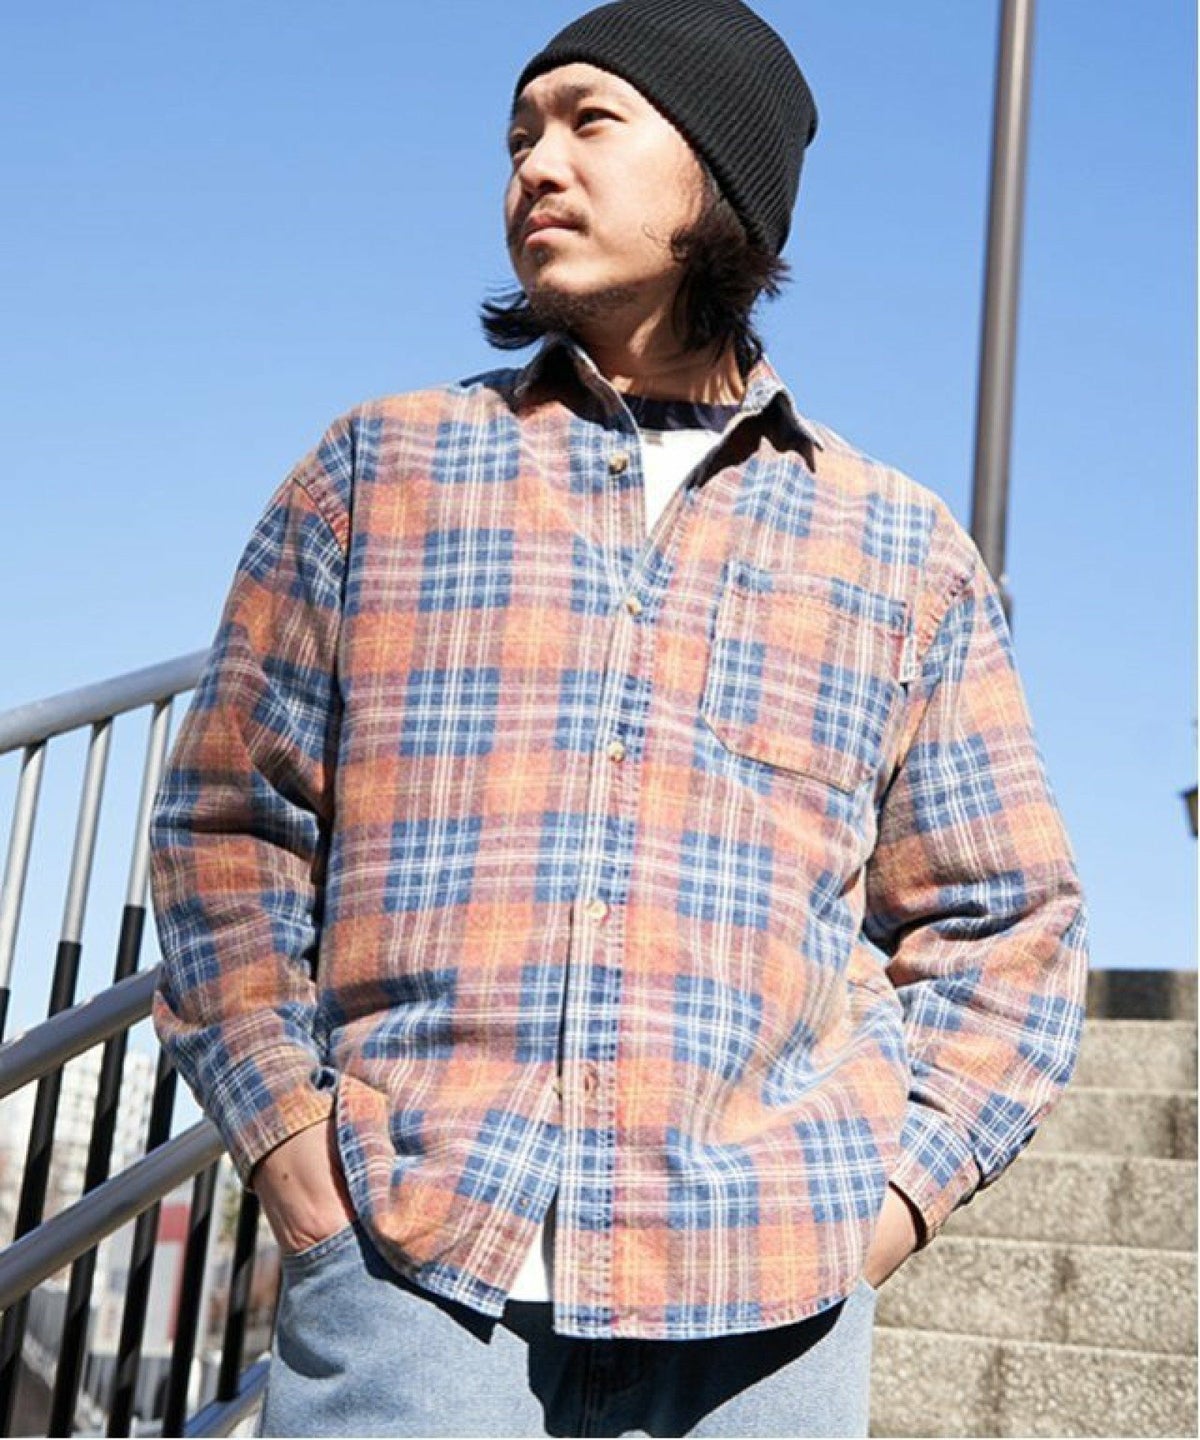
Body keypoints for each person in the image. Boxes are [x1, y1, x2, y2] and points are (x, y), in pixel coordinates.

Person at [147, 1, 1090, 1435]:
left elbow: (1008, 920)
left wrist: (886, 1208)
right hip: (415, 1285)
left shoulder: (900, 548)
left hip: (767, 1319)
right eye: (519, 135)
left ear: (723, 176)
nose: (536, 163)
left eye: (591, 121)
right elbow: (227, 829)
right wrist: (291, 1150)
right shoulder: (378, 473)